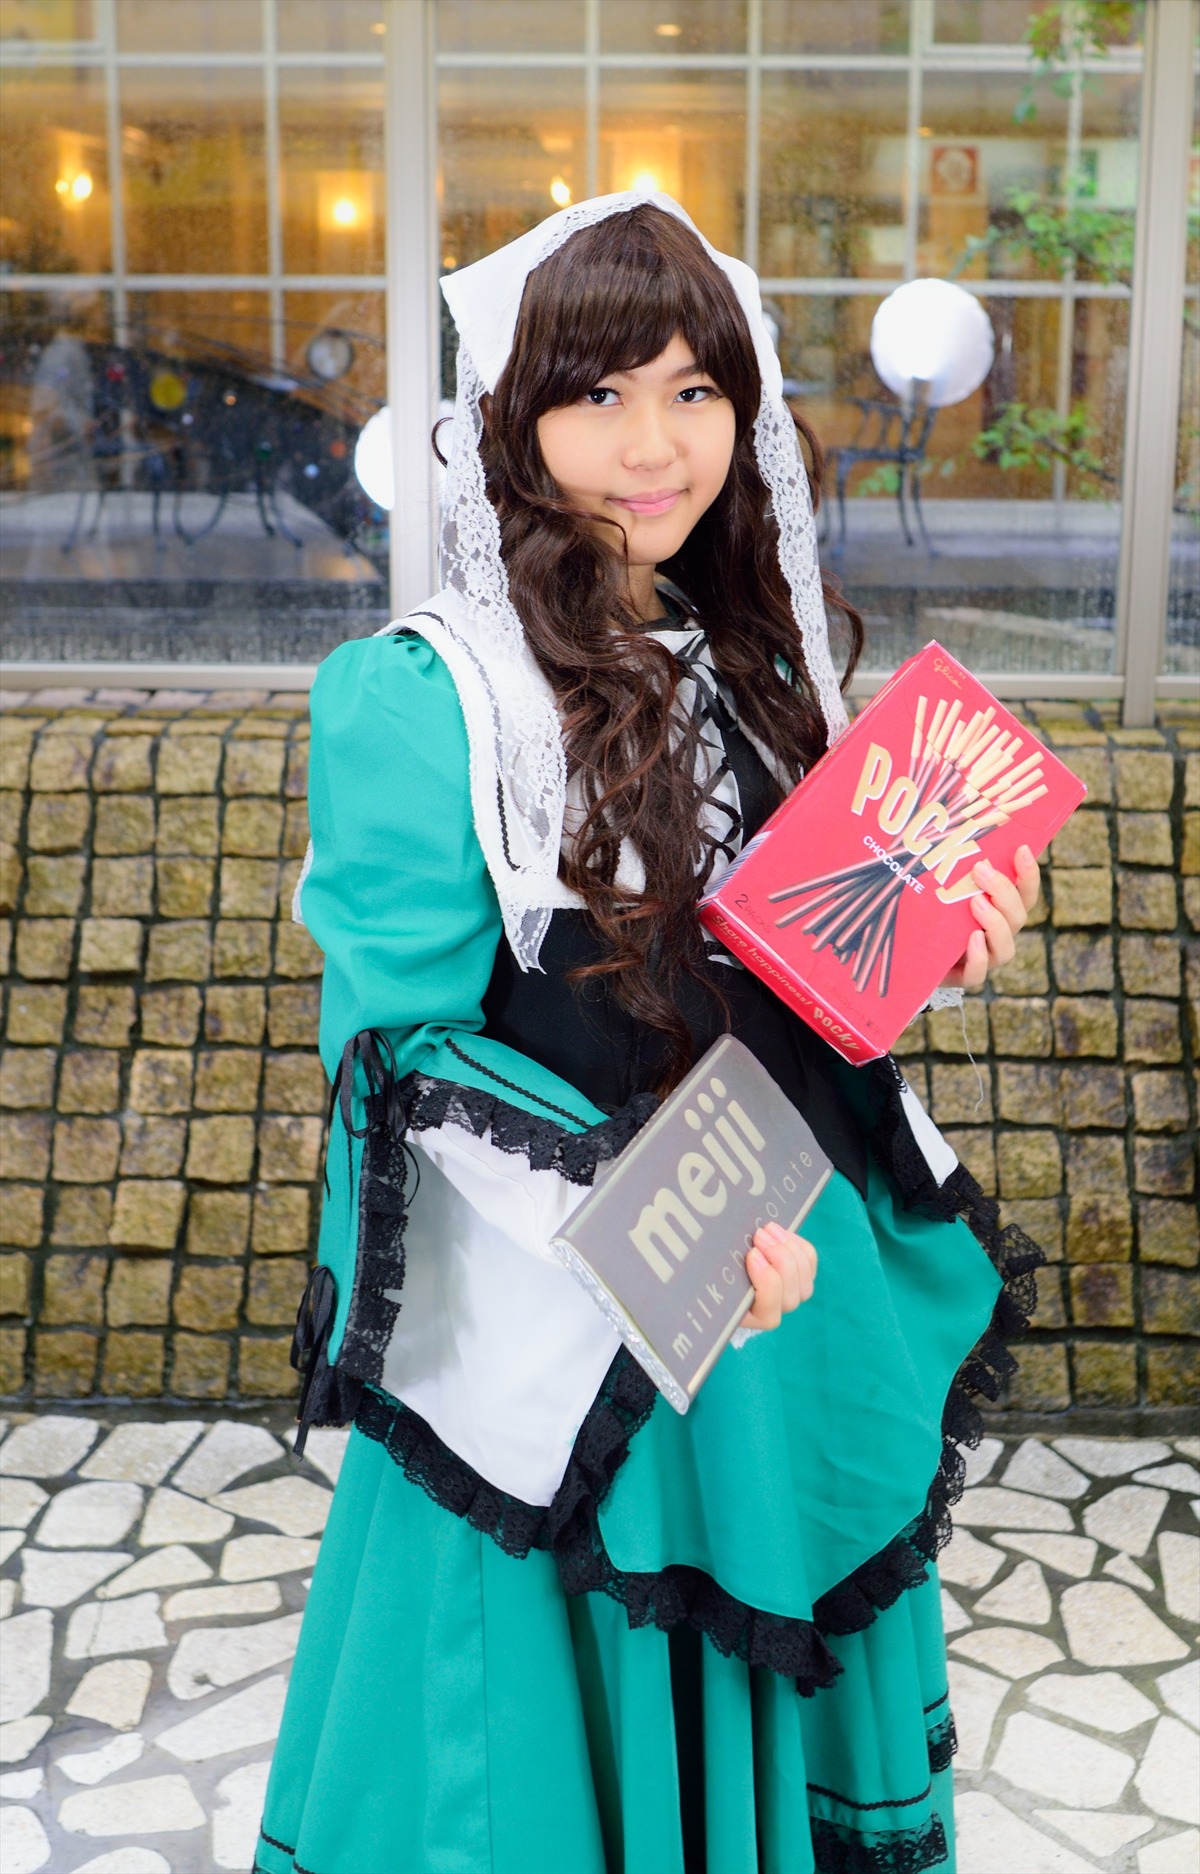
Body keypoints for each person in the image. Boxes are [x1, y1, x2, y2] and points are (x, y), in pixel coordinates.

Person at [254, 193, 1042, 1874]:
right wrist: (652, 1243)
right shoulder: (417, 693)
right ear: (512, 421)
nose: (655, 442)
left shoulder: (761, 662)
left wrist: (947, 949)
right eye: (599, 390)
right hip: (567, 1334)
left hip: (778, 1282)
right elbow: (399, 1063)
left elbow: (800, 978)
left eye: (697, 388)